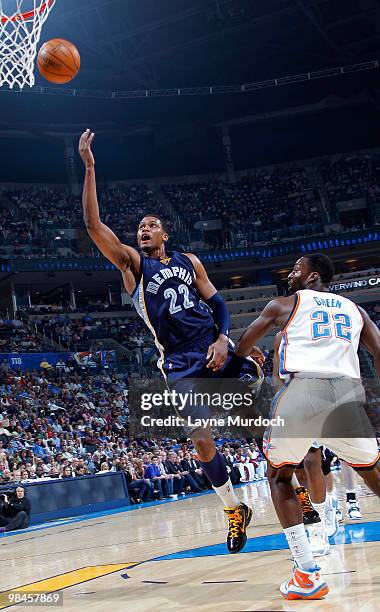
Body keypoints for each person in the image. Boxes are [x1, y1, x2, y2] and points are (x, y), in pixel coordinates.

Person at [79, 129, 264, 553]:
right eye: (140, 227)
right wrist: (89, 166)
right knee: (200, 438)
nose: (144, 230)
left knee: (263, 407)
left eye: (151, 226)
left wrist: (223, 339)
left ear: (166, 233)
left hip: (214, 346)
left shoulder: (189, 261)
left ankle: (298, 473)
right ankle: (234, 508)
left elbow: (218, 304)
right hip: (179, 362)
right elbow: (93, 225)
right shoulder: (132, 265)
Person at [235, 253, 380, 600]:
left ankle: (307, 574)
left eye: (297, 268)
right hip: (347, 394)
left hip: (303, 390)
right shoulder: (354, 310)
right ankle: (323, 525)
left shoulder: (285, 304)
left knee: (279, 476)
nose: (291, 273)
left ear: (313, 275)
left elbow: (242, 345)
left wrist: (246, 353)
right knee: (372, 471)